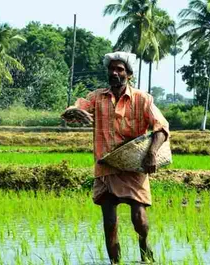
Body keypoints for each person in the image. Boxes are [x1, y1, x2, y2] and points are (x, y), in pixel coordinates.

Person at [61, 51, 169, 264]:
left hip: (133, 165)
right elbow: (70, 113)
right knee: (109, 223)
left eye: (119, 69)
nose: (114, 73)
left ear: (128, 74)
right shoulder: (97, 98)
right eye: (111, 69)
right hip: (105, 166)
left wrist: (151, 153)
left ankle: (145, 251)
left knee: (139, 219)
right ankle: (115, 262)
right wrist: (74, 111)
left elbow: (161, 128)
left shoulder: (143, 99)